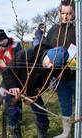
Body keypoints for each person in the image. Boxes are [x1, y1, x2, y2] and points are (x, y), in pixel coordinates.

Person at [2, 45, 69, 138]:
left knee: (42, 114)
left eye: (54, 65)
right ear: (48, 55)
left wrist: (34, 96)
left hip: (32, 89)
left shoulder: (52, 69)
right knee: (13, 115)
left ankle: (42, 135)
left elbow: (44, 84)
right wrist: (12, 85)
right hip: (12, 87)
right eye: (51, 62)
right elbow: (7, 71)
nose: (50, 66)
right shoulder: (26, 54)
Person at [43, 1, 76, 137]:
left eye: (69, 13)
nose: (65, 16)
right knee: (65, 103)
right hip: (60, 77)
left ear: (74, 13)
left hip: (77, 76)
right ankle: (66, 132)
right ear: (59, 12)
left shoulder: (79, 29)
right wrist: (45, 58)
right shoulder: (53, 30)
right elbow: (44, 47)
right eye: (63, 13)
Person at [0, 29, 23, 138]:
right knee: (10, 101)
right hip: (6, 78)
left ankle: (18, 116)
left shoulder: (16, 45)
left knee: (17, 97)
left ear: (7, 37)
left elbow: (21, 61)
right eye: (0, 41)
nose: (3, 42)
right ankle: (13, 122)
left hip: (18, 77)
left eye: (4, 39)